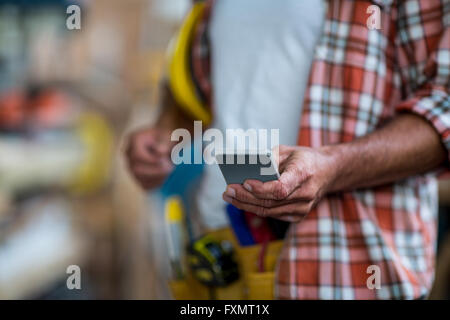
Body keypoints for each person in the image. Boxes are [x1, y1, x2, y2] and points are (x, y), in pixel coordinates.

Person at [126, 0, 449, 299]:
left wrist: (332, 165)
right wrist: (166, 130)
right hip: (227, 264)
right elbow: (201, 81)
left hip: (346, 276)